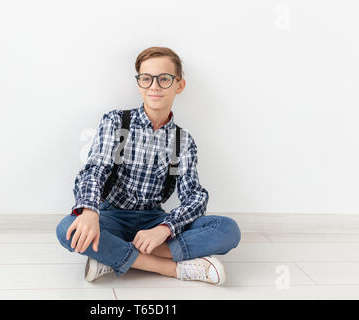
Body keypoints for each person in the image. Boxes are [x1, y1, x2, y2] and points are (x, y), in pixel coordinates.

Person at [56, 47, 241, 285]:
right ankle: (171, 269)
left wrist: (164, 229)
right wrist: (90, 211)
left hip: (154, 221)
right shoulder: (116, 121)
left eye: (164, 79)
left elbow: (194, 196)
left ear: (179, 86)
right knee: (67, 228)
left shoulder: (182, 141)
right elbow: (95, 169)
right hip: (112, 217)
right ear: (139, 84)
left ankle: (112, 256)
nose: (154, 86)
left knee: (228, 230)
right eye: (146, 79)